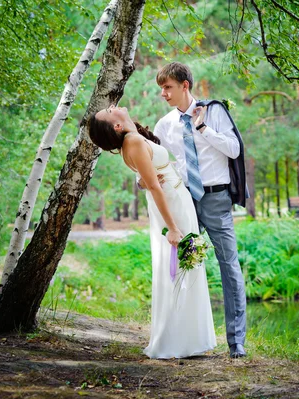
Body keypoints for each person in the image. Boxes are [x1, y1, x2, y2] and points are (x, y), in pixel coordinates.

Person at [88, 105, 216, 359]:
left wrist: (143, 180)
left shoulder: (133, 138)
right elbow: (155, 188)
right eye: (108, 110)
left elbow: (146, 176)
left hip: (177, 197)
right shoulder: (133, 141)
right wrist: (173, 228)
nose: (112, 106)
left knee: (188, 267)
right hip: (171, 205)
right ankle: (179, 341)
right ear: (116, 126)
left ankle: (191, 338)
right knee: (181, 267)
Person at [153, 62, 247, 358]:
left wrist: (202, 127)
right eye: (161, 89)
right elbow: (155, 159)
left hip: (217, 200)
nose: (164, 94)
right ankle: (185, 339)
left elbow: (234, 149)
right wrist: (147, 179)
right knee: (184, 265)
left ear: (185, 86)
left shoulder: (214, 111)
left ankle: (236, 342)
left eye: (168, 87)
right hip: (185, 201)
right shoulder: (164, 125)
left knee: (228, 266)